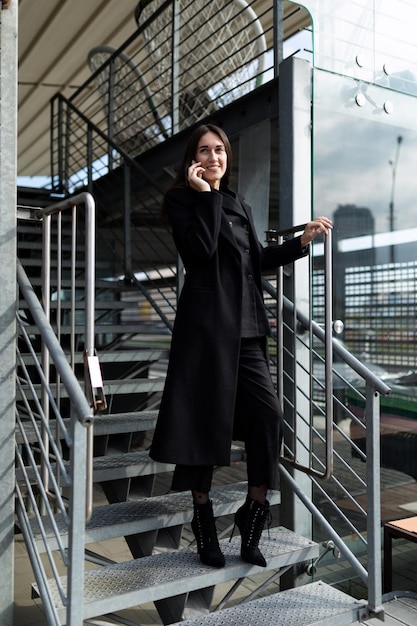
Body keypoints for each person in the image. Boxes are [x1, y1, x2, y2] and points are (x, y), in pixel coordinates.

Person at [149, 123, 332, 569]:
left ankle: (253, 518)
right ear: (192, 159)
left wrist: (299, 243)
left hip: (249, 327)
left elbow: (257, 261)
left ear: (227, 156)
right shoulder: (181, 201)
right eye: (204, 151)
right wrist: (205, 195)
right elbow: (201, 252)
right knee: (205, 423)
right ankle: (204, 517)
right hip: (206, 330)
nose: (213, 158)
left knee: (268, 415)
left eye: (219, 151)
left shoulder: (240, 204)